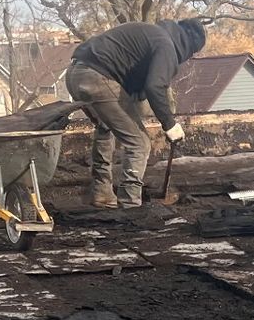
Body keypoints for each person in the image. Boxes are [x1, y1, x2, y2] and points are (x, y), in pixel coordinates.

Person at [66, 19, 207, 208]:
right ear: (189, 47)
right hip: (98, 77)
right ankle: (130, 204)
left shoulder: (152, 32)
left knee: (105, 125)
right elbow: (155, 86)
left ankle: (102, 193)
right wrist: (170, 125)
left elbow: (133, 76)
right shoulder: (167, 46)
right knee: (140, 143)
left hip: (75, 73)